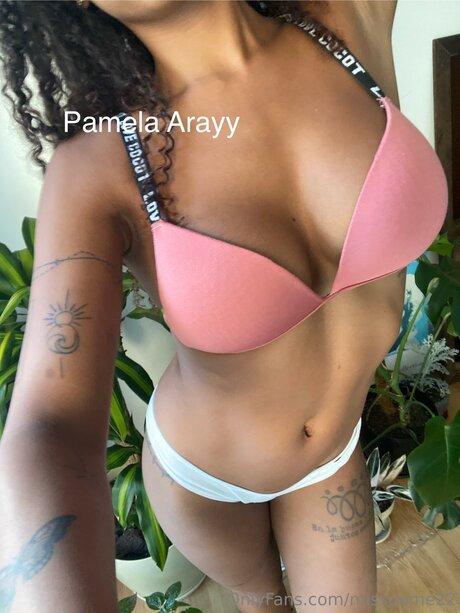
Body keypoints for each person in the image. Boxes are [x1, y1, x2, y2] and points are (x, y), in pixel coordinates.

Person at [0, 1, 448, 612]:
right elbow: (51, 429)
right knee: (263, 605)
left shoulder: (350, 19)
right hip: (205, 482)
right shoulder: (99, 166)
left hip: (332, 454)